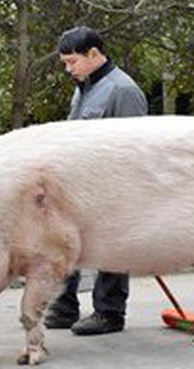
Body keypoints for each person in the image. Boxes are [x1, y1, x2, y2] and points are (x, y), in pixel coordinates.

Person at [44, 25, 148, 335]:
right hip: (79, 185)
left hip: (112, 187)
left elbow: (135, 148)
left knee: (112, 247)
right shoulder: (84, 86)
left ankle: (109, 313)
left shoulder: (123, 90)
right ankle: (64, 308)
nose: (68, 69)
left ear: (94, 54)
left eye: (72, 61)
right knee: (67, 242)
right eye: (64, 63)